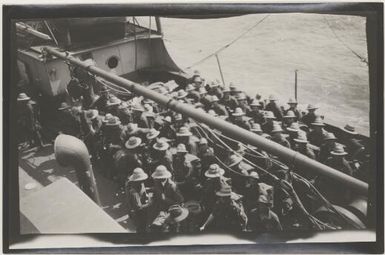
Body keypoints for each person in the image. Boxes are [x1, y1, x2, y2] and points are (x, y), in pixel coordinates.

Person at [125, 168, 152, 233]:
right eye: (140, 180)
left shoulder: (140, 184)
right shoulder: (134, 192)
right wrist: (150, 203)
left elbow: (143, 190)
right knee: (141, 228)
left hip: (142, 209)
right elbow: (138, 207)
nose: (142, 181)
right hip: (138, 213)